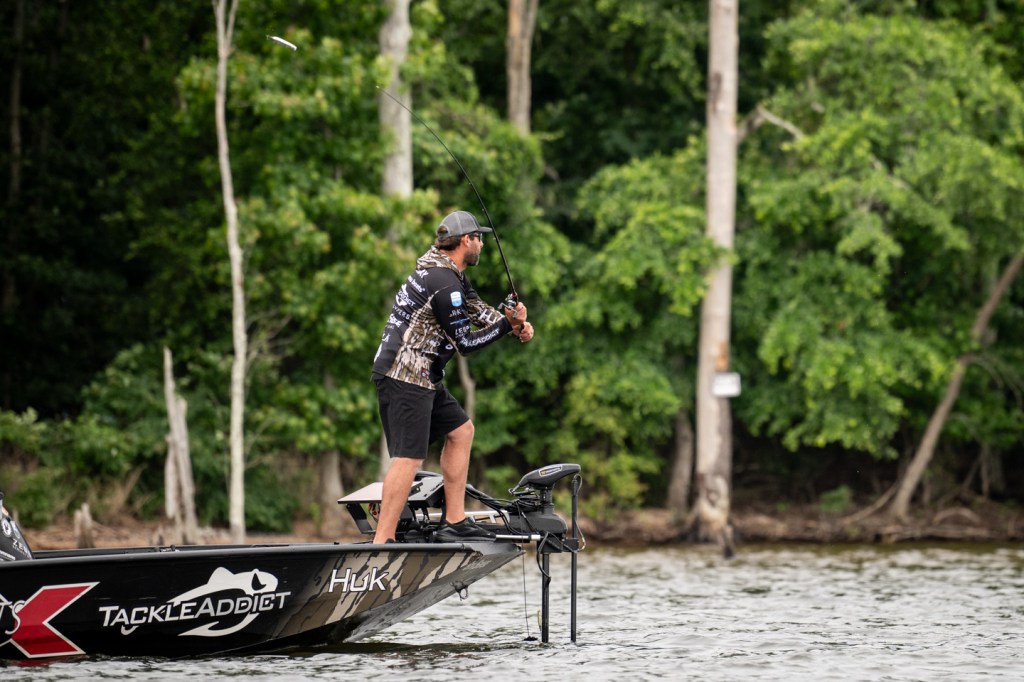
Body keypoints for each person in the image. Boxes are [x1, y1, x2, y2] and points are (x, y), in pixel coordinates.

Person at [371, 210, 534, 543]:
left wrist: (514, 325)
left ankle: (454, 521)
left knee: (461, 431)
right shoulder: (443, 283)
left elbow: (477, 310)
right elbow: (466, 344)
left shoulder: (450, 274)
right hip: (404, 374)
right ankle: (382, 542)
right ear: (465, 241)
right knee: (409, 457)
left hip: (424, 375)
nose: (482, 245)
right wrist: (506, 325)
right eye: (479, 238)